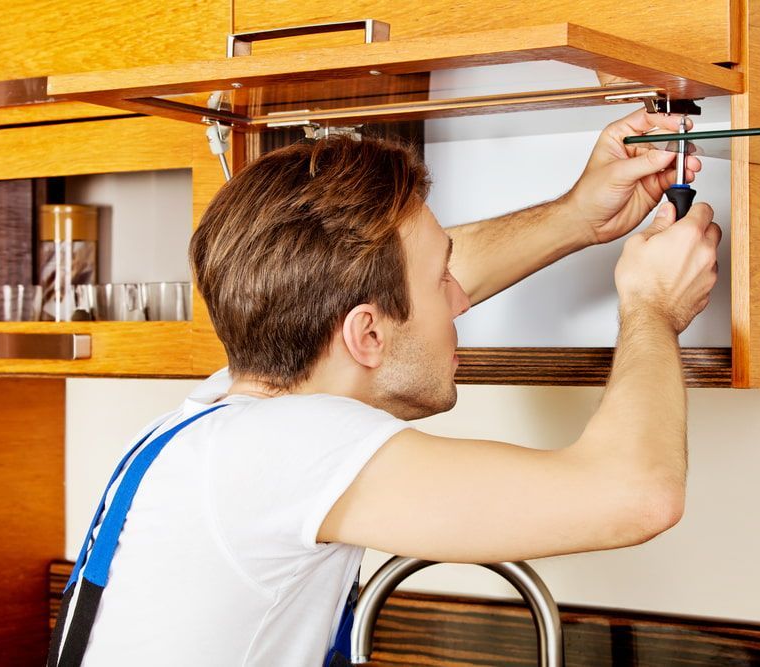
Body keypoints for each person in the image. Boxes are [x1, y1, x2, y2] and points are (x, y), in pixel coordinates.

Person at [50, 109, 720, 666]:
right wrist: (652, 306)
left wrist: (578, 216)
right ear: (367, 333)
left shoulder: (228, 417)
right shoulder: (292, 446)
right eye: (441, 283)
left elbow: (383, 284)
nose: (460, 300)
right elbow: (636, 495)